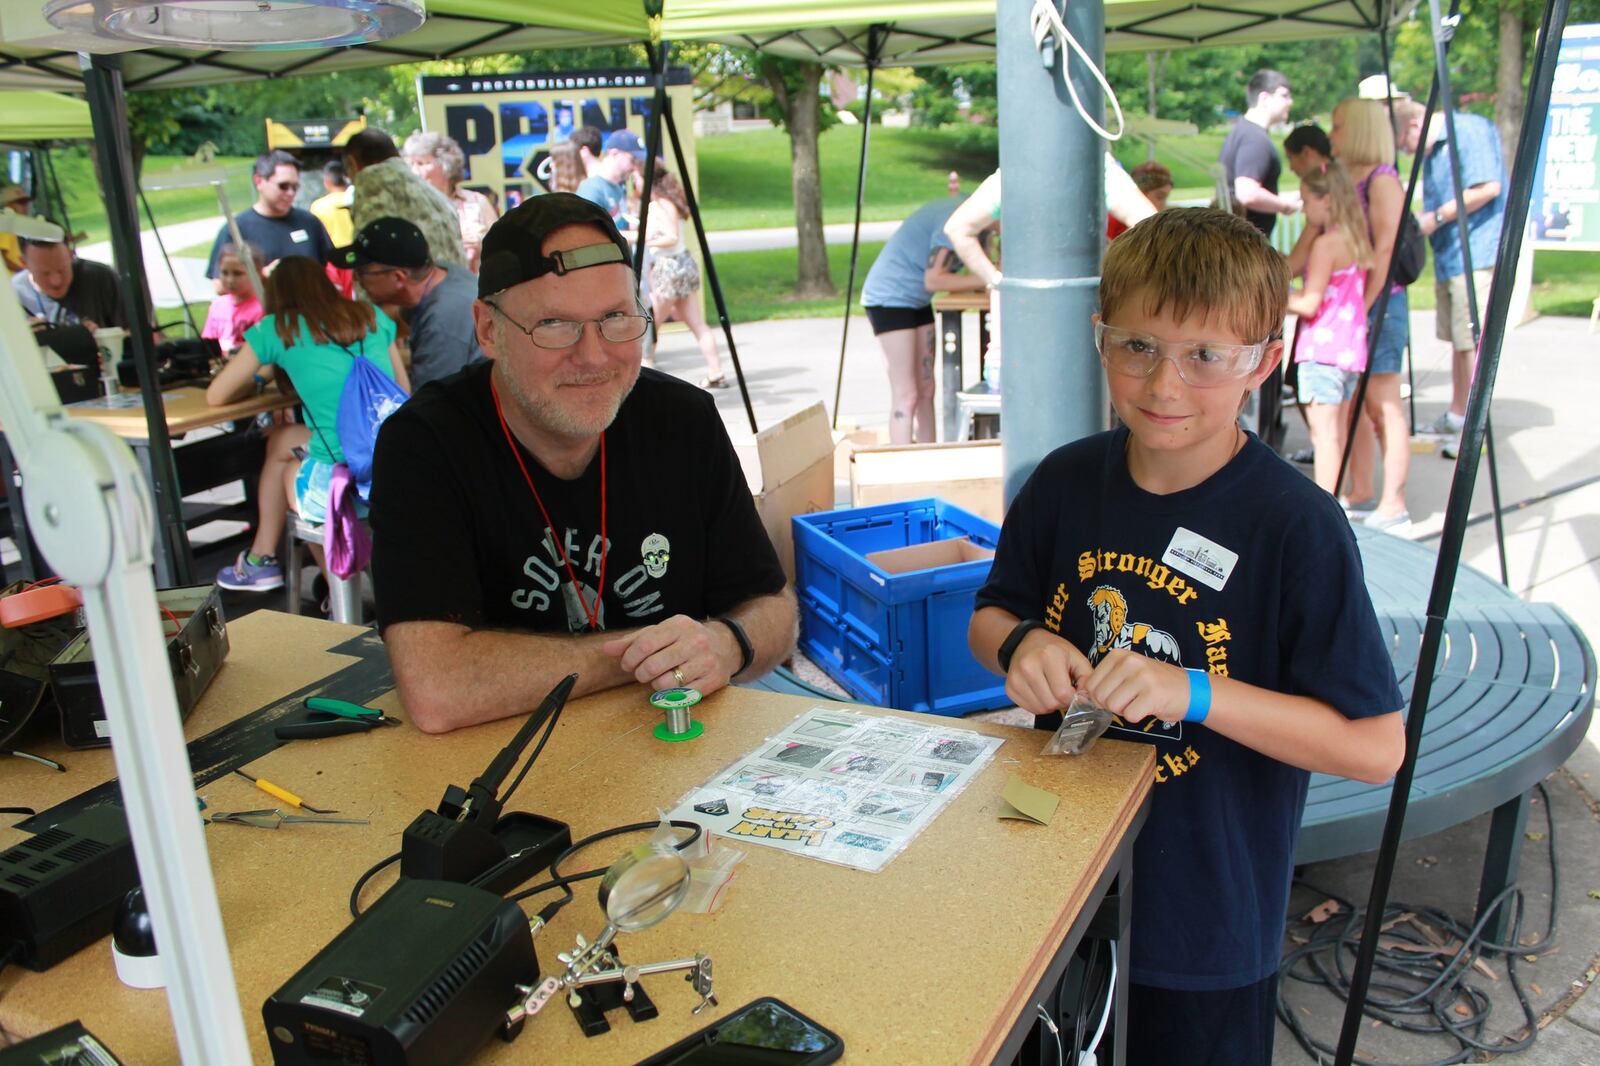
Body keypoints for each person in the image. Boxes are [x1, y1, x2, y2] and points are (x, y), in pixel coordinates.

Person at [968, 207, 1404, 1066]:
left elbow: (1376, 748)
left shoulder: (1297, 526)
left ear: (1262, 365)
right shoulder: (1062, 481)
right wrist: (1021, 648)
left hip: (1205, 918)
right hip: (1054, 883)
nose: (1164, 385)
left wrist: (1194, 691)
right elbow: (991, 616)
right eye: (1138, 347)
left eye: (1206, 356)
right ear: (1101, 340)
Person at [367, 193, 797, 734]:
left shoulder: (684, 419)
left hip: (678, 748)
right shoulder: (425, 443)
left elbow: (773, 607)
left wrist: (729, 643)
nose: (594, 356)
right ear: (488, 329)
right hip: (504, 768)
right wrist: (644, 658)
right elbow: (437, 688)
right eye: (554, 323)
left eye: (616, 318)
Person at [207, 257, 407, 592]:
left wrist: (263, 373)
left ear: (276, 294)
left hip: (346, 481)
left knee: (289, 471)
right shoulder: (371, 315)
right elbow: (403, 391)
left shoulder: (276, 328)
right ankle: (280, 565)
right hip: (396, 463)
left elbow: (217, 395)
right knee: (282, 440)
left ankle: (337, 591)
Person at [1393, 97, 1506, 453]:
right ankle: (1459, 414)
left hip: (1476, 251)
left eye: (1405, 144)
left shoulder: (1467, 130)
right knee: (1460, 339)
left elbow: (1488, 187)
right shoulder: (1434, 149)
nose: (1408, 152)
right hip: (1452, 253)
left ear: (1415, 125)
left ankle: (1473, 430)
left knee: (1472, 340)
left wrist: (1436, 218)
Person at [1331, 97, 1412, 530]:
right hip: (1355, 307)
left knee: (1384, 403)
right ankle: (1361, 490)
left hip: (1379, 305)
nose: (1332, 135)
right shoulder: (1350, 176)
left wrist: (1361, 309)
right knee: (1355, 404)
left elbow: (1386, 250)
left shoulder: (1383, 181)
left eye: (1338, 126)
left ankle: (1394, 503)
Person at [861, 194, 988, 442]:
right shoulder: (956, 219)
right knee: (906, 394)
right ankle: (902, 470)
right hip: (889, 299)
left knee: (926, 390)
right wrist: (991, 276)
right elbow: (935, 279)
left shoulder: (975, 217)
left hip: (917, 300)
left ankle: (927, 458)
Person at [1285, 161, 1372, 499]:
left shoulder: (1325, 245)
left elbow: (1309, 303)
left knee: (1324, 438)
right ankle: (1340, 500)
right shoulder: (1356, 239)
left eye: (1307, 201)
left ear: (1327, 201)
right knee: (1337, 431)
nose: (1305, 210)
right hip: (1350, 350)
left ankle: (1326, 506)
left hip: (1321, 350)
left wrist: (1273, 295)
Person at [345, 216, 483, 390]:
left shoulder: (442, 321)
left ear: (398, 277)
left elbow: (429, 406)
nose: (357, 281)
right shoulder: (443, 272)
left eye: (362, 273)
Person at [644, 168, 726, 390]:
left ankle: (644, 373)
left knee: (651, 326)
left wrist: (643, 239)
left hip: (668, 266)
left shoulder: (659, 204)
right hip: (684, 264)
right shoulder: (672, 202)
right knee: (696, 323)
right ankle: (716, 369)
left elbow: (671, 237)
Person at [205, 151, 334, 288]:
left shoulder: (310, 222)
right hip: (265, 307)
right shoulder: (236, 229)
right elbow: (219, 285)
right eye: (283, 186)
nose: (290, 193)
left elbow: (332, 270)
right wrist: (262, 275)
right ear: (259, 181)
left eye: (295, 187)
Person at [343, 127, 466, 269]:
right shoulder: (433, 194)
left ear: (353, 163)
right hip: (456, 286)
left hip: (417, 289)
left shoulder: (372, 185)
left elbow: (371, 267)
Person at [403, 130, 500, 273]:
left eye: (421, 163)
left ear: (445, 165)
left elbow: (502, 249)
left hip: (480, 289)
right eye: (411, 164)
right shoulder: (409, 208)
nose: (414, 171)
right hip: (433, 291)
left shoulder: (476, 201)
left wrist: (482, 246)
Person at [1220, 70, 1301, 237]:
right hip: (1245, 246)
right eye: (1284, 95)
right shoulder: (1255, 138)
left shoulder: (1244, 131)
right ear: (1264, 98)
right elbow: (1248, 194)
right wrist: (1284, 205)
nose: (1290, 102)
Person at [13, 226, 126, 331]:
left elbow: (134, 332)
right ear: (24, 263)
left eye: (62, 270)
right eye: (45, 273)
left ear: (71, 255)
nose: (56, 281)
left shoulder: (101, 278)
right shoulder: (13, 295)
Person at [201, 242, 265, 355]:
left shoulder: (263, 307)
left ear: (257, 273)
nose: (230, 280)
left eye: (238, 273)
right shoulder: (217, 305)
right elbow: (208, 343)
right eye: (224, 273)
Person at [576, 129, 645, 231]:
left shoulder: (617, 187)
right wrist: (641, 237)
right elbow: (589, 234)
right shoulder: (591, 189)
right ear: (614, 153)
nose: (634, 167)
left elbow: (620, 226)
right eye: (632, 160)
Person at [1108, 161, 1172, 240]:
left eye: (1166, 198)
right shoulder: (1111, 222)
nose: (1164, 204)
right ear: (1141, 194)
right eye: (1159, 197)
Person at [0, 183, 32, 273]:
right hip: (10, 283)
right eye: (21, 203)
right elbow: (2, 259)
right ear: (8, 205)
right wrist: (26, 274)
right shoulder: (6, 226)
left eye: (26, 203)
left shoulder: (12, 226)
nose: (25, 207)